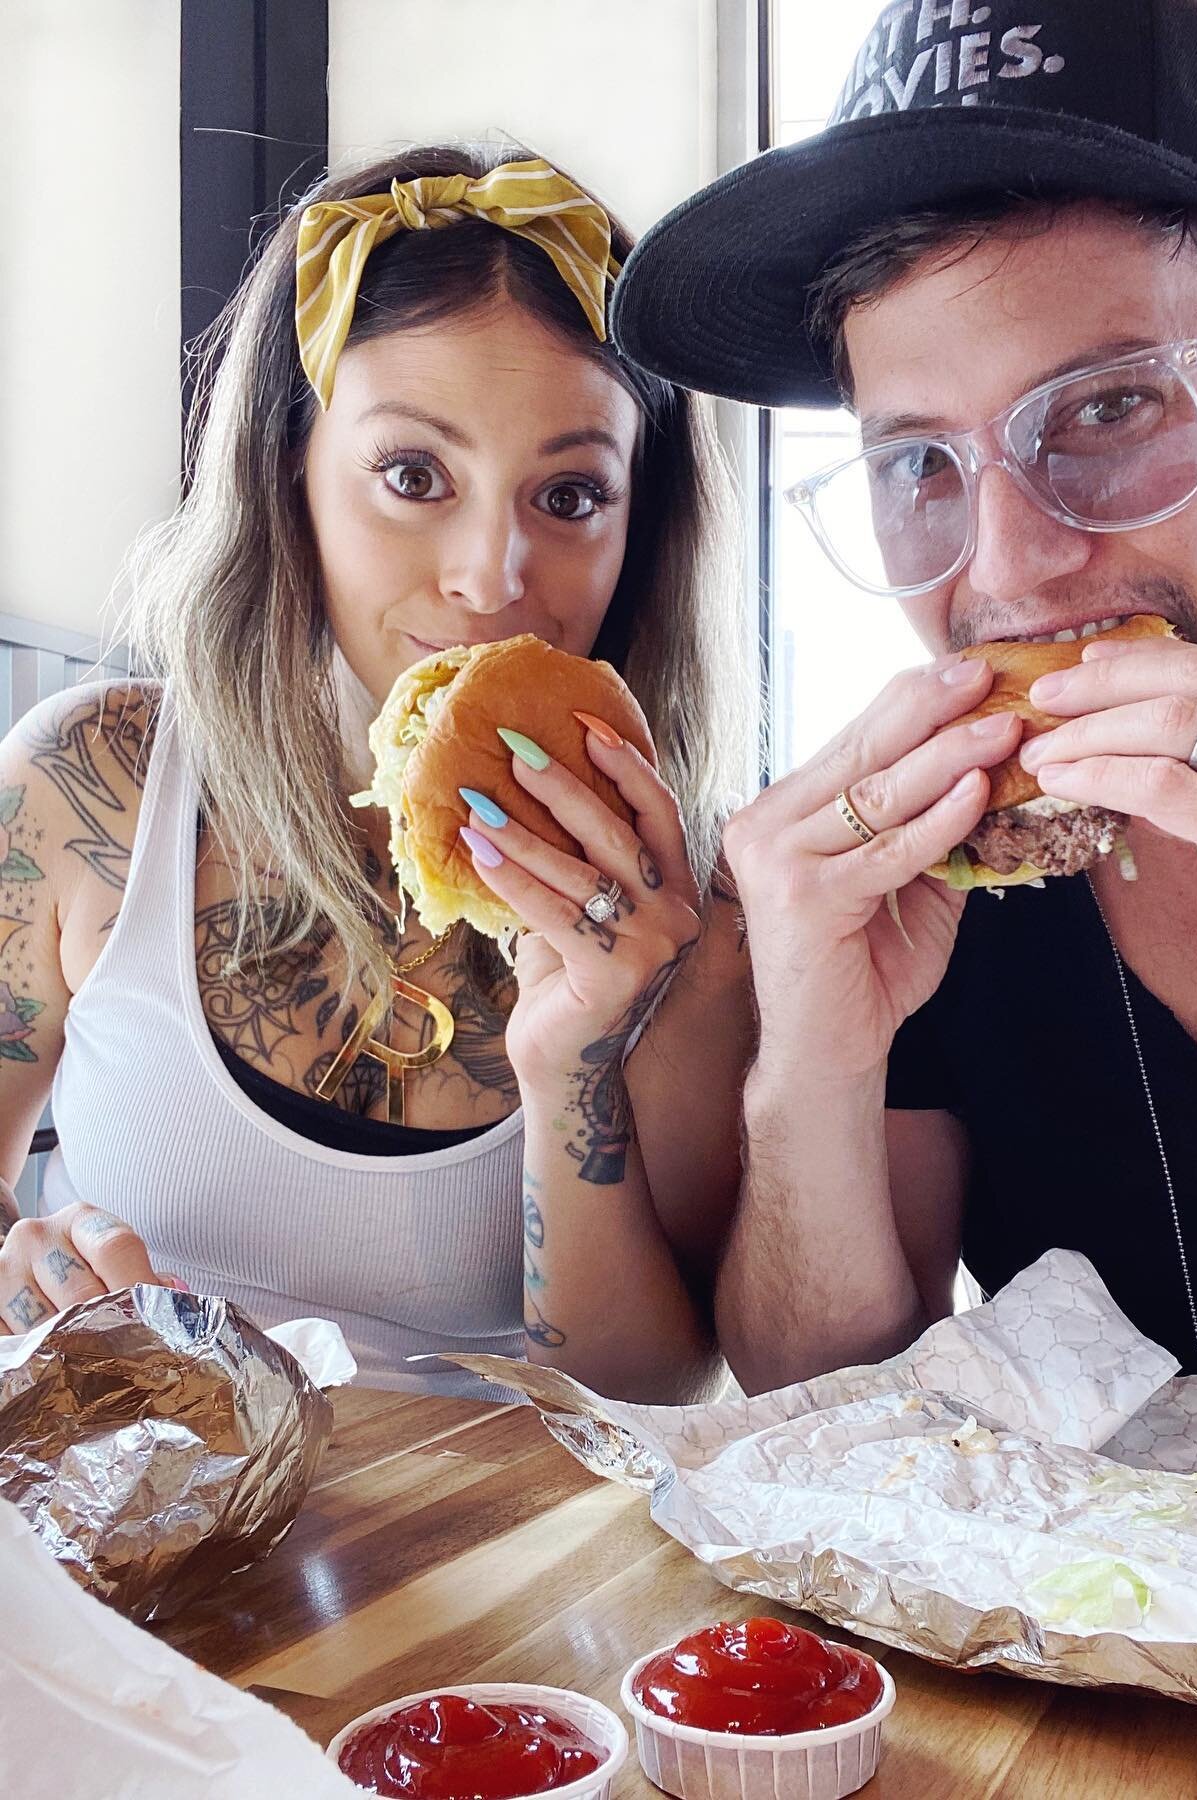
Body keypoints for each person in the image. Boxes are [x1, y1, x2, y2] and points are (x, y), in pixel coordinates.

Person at [610, 0, 1197, 1404]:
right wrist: (820, 1045)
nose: (1008, 571)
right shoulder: (943, 844)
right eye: (919, 465)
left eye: (1109, 408)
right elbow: (822, 1391)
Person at [0, 142, 754, 1402]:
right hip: (130, 1547)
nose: (489, 575)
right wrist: (26, 1274)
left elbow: (655, 1392)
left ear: (644, 527)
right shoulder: (95, 786)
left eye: (569, 495)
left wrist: (575, 1059)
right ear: (286, 473)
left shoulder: (688, 897)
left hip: (488, 1574)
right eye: (414, 477)